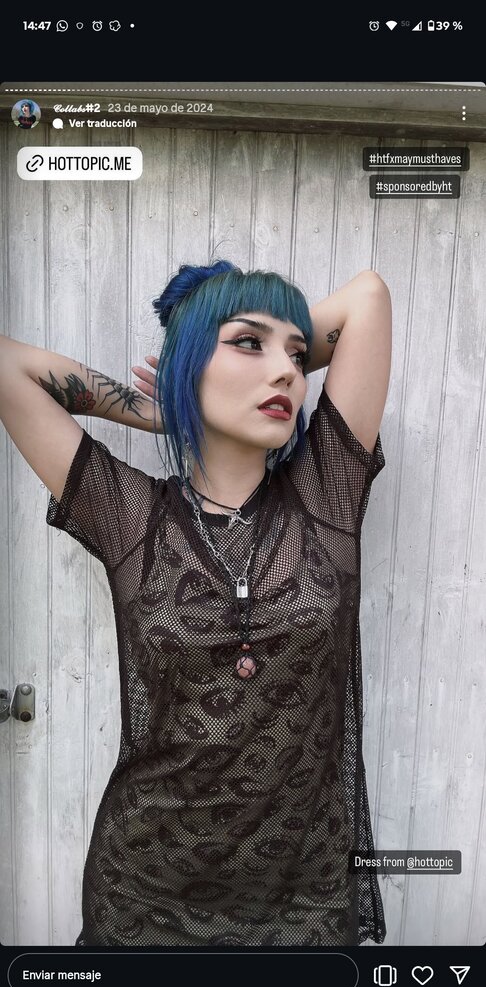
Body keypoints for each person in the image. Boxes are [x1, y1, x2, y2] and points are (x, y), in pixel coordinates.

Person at [0, 260, 391, 946]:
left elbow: (369, 297)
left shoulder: (326, 493)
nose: (287, 372)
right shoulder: (130, 517)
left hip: (306, 898)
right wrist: (161, 406)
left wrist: (249, 357)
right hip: (146, 895)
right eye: (249, 342)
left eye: (298, 354)